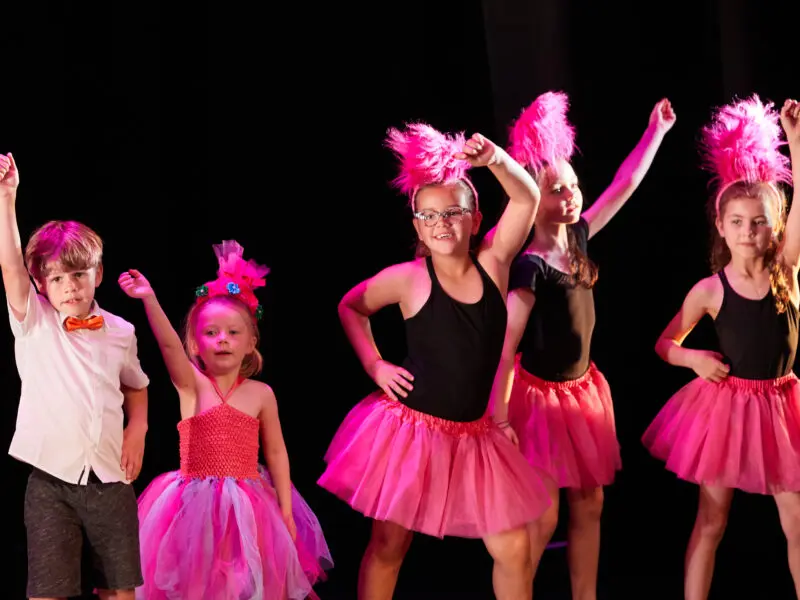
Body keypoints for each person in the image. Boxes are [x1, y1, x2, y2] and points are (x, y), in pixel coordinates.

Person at [317, 122, 550, 600]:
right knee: (388, 544)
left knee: (513, 546)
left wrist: (497, 161)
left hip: (475, 436)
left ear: (476, 219)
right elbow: (351, 307)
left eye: (453, 212)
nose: (442, 223)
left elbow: (526, 199)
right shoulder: (407, 279)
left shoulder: (494, 265)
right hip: (413, 433)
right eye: (429, 216)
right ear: (417, 226)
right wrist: (375, 365)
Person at [489, 91, 676, 599]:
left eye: (572, 186)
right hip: (540, 402)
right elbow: (506, 346)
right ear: (532, 198)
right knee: (543, 517)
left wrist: (654, 133)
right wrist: (500, 414)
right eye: (555, 190)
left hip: (583, 391)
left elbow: (626, 184)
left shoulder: (580, 238)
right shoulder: (530, 265)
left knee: (590, 504)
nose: (570, 196)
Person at [642, 96, 800, 599]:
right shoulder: (710, 290)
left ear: (773, 225)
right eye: (737, 222)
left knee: (797, 522)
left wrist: (796, 141)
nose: (748, 232)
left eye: (758, 222)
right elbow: (664, 343)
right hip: (727, 410)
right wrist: (693, 358)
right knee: (712, 520)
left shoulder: (787, 272)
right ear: (721, 226)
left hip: (781, 406)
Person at [119, 240, 332, 600]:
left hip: (249, 505)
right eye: (211, 333)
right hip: (193, 503)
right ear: (195, 343)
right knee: (197, 581)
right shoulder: (190, 384)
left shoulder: (261, 394)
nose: (223, 341)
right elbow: (168, 346)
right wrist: (149, 299)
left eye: (233, 333)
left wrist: (284, 508)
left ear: (251, 342)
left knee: (243, 581)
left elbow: (277, 453)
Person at [0, 153, 150, 600]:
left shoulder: (121, 332)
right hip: (51, 480)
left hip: (111, 479)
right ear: (41, 283)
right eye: (58, 277)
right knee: (50, 589)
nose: (70, 286)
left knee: (120, 589)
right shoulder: (35, 322)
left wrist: (138, 427)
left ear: (98, 274)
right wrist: (8, 197)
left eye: (80, 274)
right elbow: (10, 268)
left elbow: (137, 385)